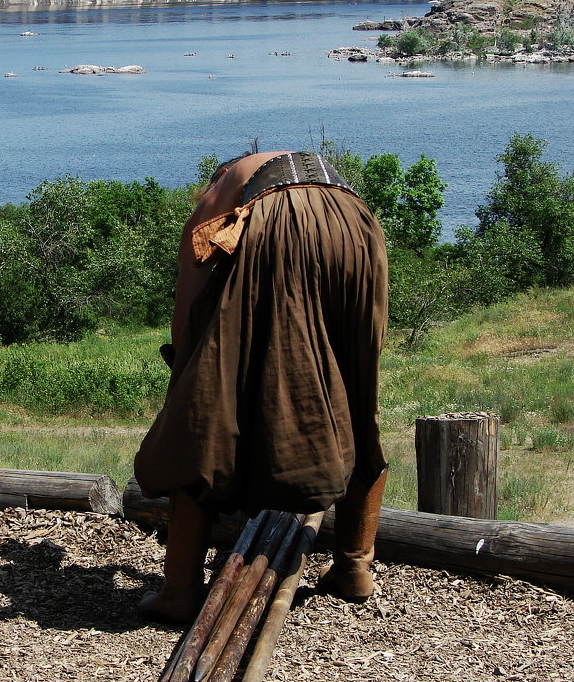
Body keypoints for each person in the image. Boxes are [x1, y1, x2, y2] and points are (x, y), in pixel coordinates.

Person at [134, 150, 389, 625]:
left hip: (281, 221)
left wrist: (186, 368)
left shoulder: (224, 183)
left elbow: (191, 277)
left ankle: (179, 591)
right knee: (356, 392)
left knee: (205, 405)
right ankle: (356, 566)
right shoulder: (309, 170)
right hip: (356, 225)